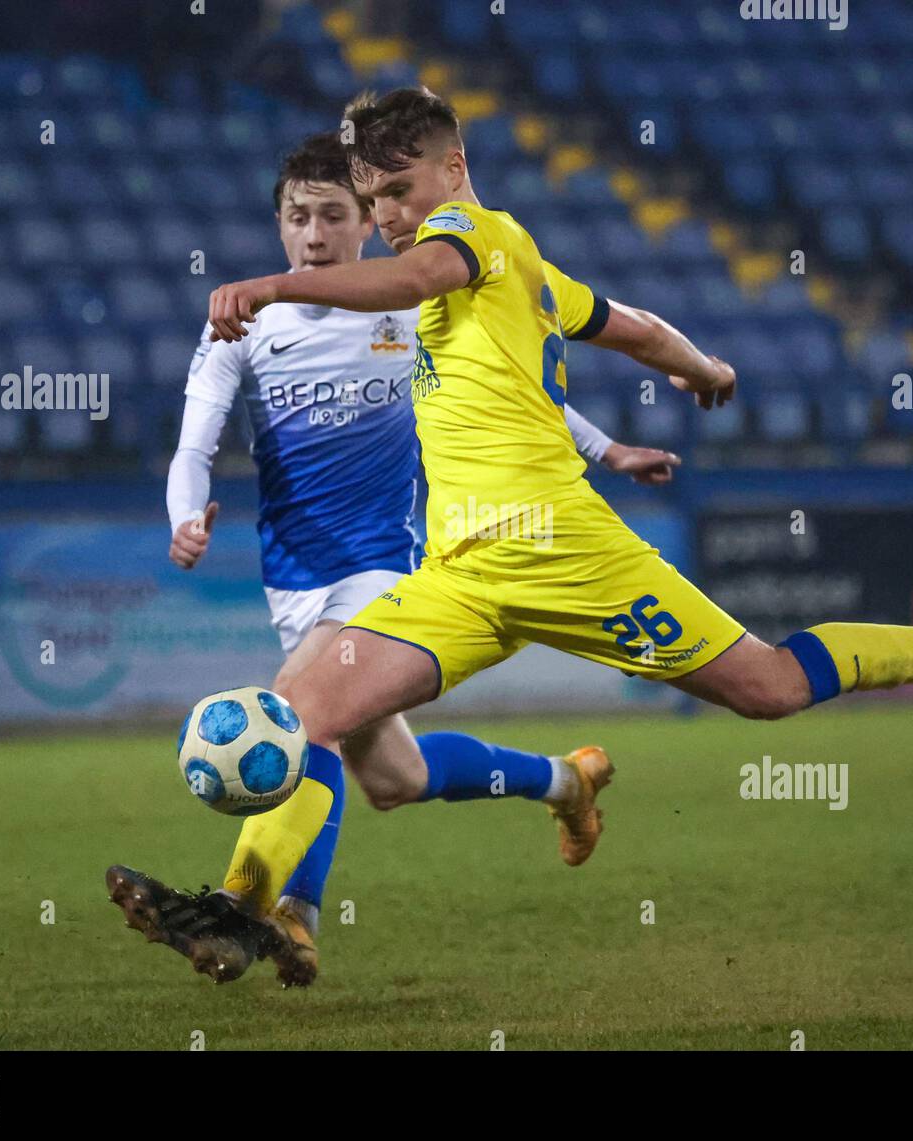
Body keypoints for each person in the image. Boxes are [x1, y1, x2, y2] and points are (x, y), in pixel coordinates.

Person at [113, 87, 913, 984]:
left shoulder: (466, 237)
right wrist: (704, 368)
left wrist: (275, 284)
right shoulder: (521, 272)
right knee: (307, 712)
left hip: (570, 555)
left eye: (397, 192)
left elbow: (416, 268)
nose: (391, 213)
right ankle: (243, 907)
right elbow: (629, 323)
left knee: (769, 688)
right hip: (461, 575)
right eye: (375, 198)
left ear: (454, 167)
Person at [109, 132, 681, 986]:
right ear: (278, 225)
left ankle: (246, 910)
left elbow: (514, 388)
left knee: (303, 721)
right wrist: (184, 514)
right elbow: (194, 445)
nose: (313, 234)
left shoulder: (413, 308)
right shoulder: (242, 323)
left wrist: (607, 451)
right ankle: (564, 782)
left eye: (333, 215)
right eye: (297, 217)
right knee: (394, 776)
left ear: (368, 226)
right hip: (295, 580)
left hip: (391, 566)